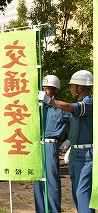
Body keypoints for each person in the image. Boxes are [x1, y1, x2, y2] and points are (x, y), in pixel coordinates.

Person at [38, 70, 94, 213]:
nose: (70, 89)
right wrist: (70, 142)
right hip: (75, 152)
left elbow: (71, 109)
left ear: (80, 87)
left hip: (85, 153)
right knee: (76, 192)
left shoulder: (88, 103)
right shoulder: (77, 103)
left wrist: (50, 101)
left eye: (72, 86)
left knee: (82, 193)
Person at [34, 75, 70, 213]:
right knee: (37, 179)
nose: (45, 91)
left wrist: (70, 140)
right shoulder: (37, 106)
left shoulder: (60, 107)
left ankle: (54, 210)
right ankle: (41, 210)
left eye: (49, 89)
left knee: (52, 180)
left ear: (55, 90)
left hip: (50, 145)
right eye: (44, 88)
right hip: (37, 144)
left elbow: (76, 119)